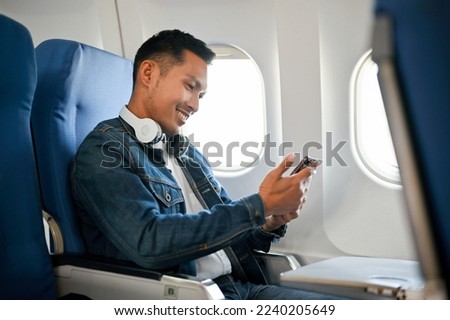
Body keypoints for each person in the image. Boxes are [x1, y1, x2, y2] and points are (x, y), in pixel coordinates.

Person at [71, 29, 334, 299]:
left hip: (238, 288)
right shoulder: (106, 150)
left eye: (202, 95)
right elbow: (150, 243)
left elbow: (227, 240)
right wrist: (260, 204)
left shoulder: (184, 151)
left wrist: (269, 221)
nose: (196, 105)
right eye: (190, 86)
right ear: (148, 74)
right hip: (190, 296)